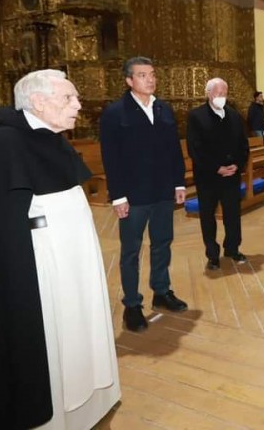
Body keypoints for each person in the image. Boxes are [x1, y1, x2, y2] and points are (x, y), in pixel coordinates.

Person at [0, 69, 120, 429]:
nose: (78, 105)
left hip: (74, 260)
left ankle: (85, 404)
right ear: (39, 102)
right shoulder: (2, 145)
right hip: (42, 268)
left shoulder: (52, 137)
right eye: (68, 98)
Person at [100, 57, 188, 333]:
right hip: (134, 195)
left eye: (152, 74)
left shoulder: (164, 109)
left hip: (163, 191)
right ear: (129, 81)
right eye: (142, 75)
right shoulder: (115, 113)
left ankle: (161, 292)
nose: (150, 79)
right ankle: (132, 305)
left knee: (162, 243)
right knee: (131, 251)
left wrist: (179, 183)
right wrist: (118, 197)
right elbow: (111, 158)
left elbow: (174, 150)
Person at [187, 77, 250, 269]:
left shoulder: (234, 115)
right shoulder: (196, 116)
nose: (222, 96)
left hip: (231, 175)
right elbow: (195, 149)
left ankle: (232, 248)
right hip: (208, 177)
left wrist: (237, 165)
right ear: (208, 94)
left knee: (233, 215)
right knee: (208, 216)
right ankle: (212, 255)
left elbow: (243, 145)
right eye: (218, 93)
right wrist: (216, 167)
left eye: (225, 93)